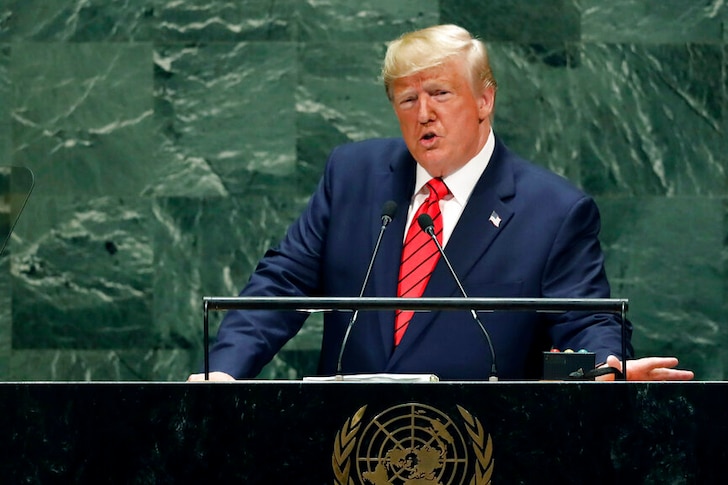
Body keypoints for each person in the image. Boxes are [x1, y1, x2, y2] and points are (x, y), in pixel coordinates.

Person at [189, 24, 693, 382]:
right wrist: (224, 372)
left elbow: (587, 321)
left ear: (484, 100)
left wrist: (603, 368)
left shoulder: (553, 211)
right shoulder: (353, 176)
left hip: (480, 453)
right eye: (407, 100)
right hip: (350, 449)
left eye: (440, 93)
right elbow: (281, 286)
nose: (423, 113)